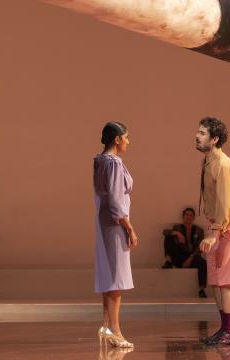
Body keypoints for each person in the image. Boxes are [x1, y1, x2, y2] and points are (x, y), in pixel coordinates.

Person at [195, 117, 230, 346]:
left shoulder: (223, 164)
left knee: (226, 282)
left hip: (227, 227)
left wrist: (214, 234)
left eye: (202, 133)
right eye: (198, 132)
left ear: (214, 139)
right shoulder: (208, 161)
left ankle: (229, 331)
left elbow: (226, 205)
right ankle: (224, 329)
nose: (197, 136)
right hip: (216, 225)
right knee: (216, 281)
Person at [94, 121, 137, 349]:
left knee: (110, 276)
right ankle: (115, 330)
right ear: (117, 139)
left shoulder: (101, 161)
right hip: (113, 225)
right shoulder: (112, 163)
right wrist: (129, 227)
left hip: (105, 222)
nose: (128, 142)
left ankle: (106, 326)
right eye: (126, 137)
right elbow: (115, 199)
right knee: (115, 279)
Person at [162, 207, 208, 298]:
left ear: (193, 218)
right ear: (183, 216)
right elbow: (164, 232)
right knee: (168, 236)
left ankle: (201, 289)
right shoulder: (177, 227)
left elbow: (200, 247)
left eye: (191, 215)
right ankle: (168, 261)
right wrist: (177, 233)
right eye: (187, 215)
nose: (188, 217)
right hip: (179, 256)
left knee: (203, 262)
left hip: (192, 257)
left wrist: (191, 258)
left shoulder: (199, 230)